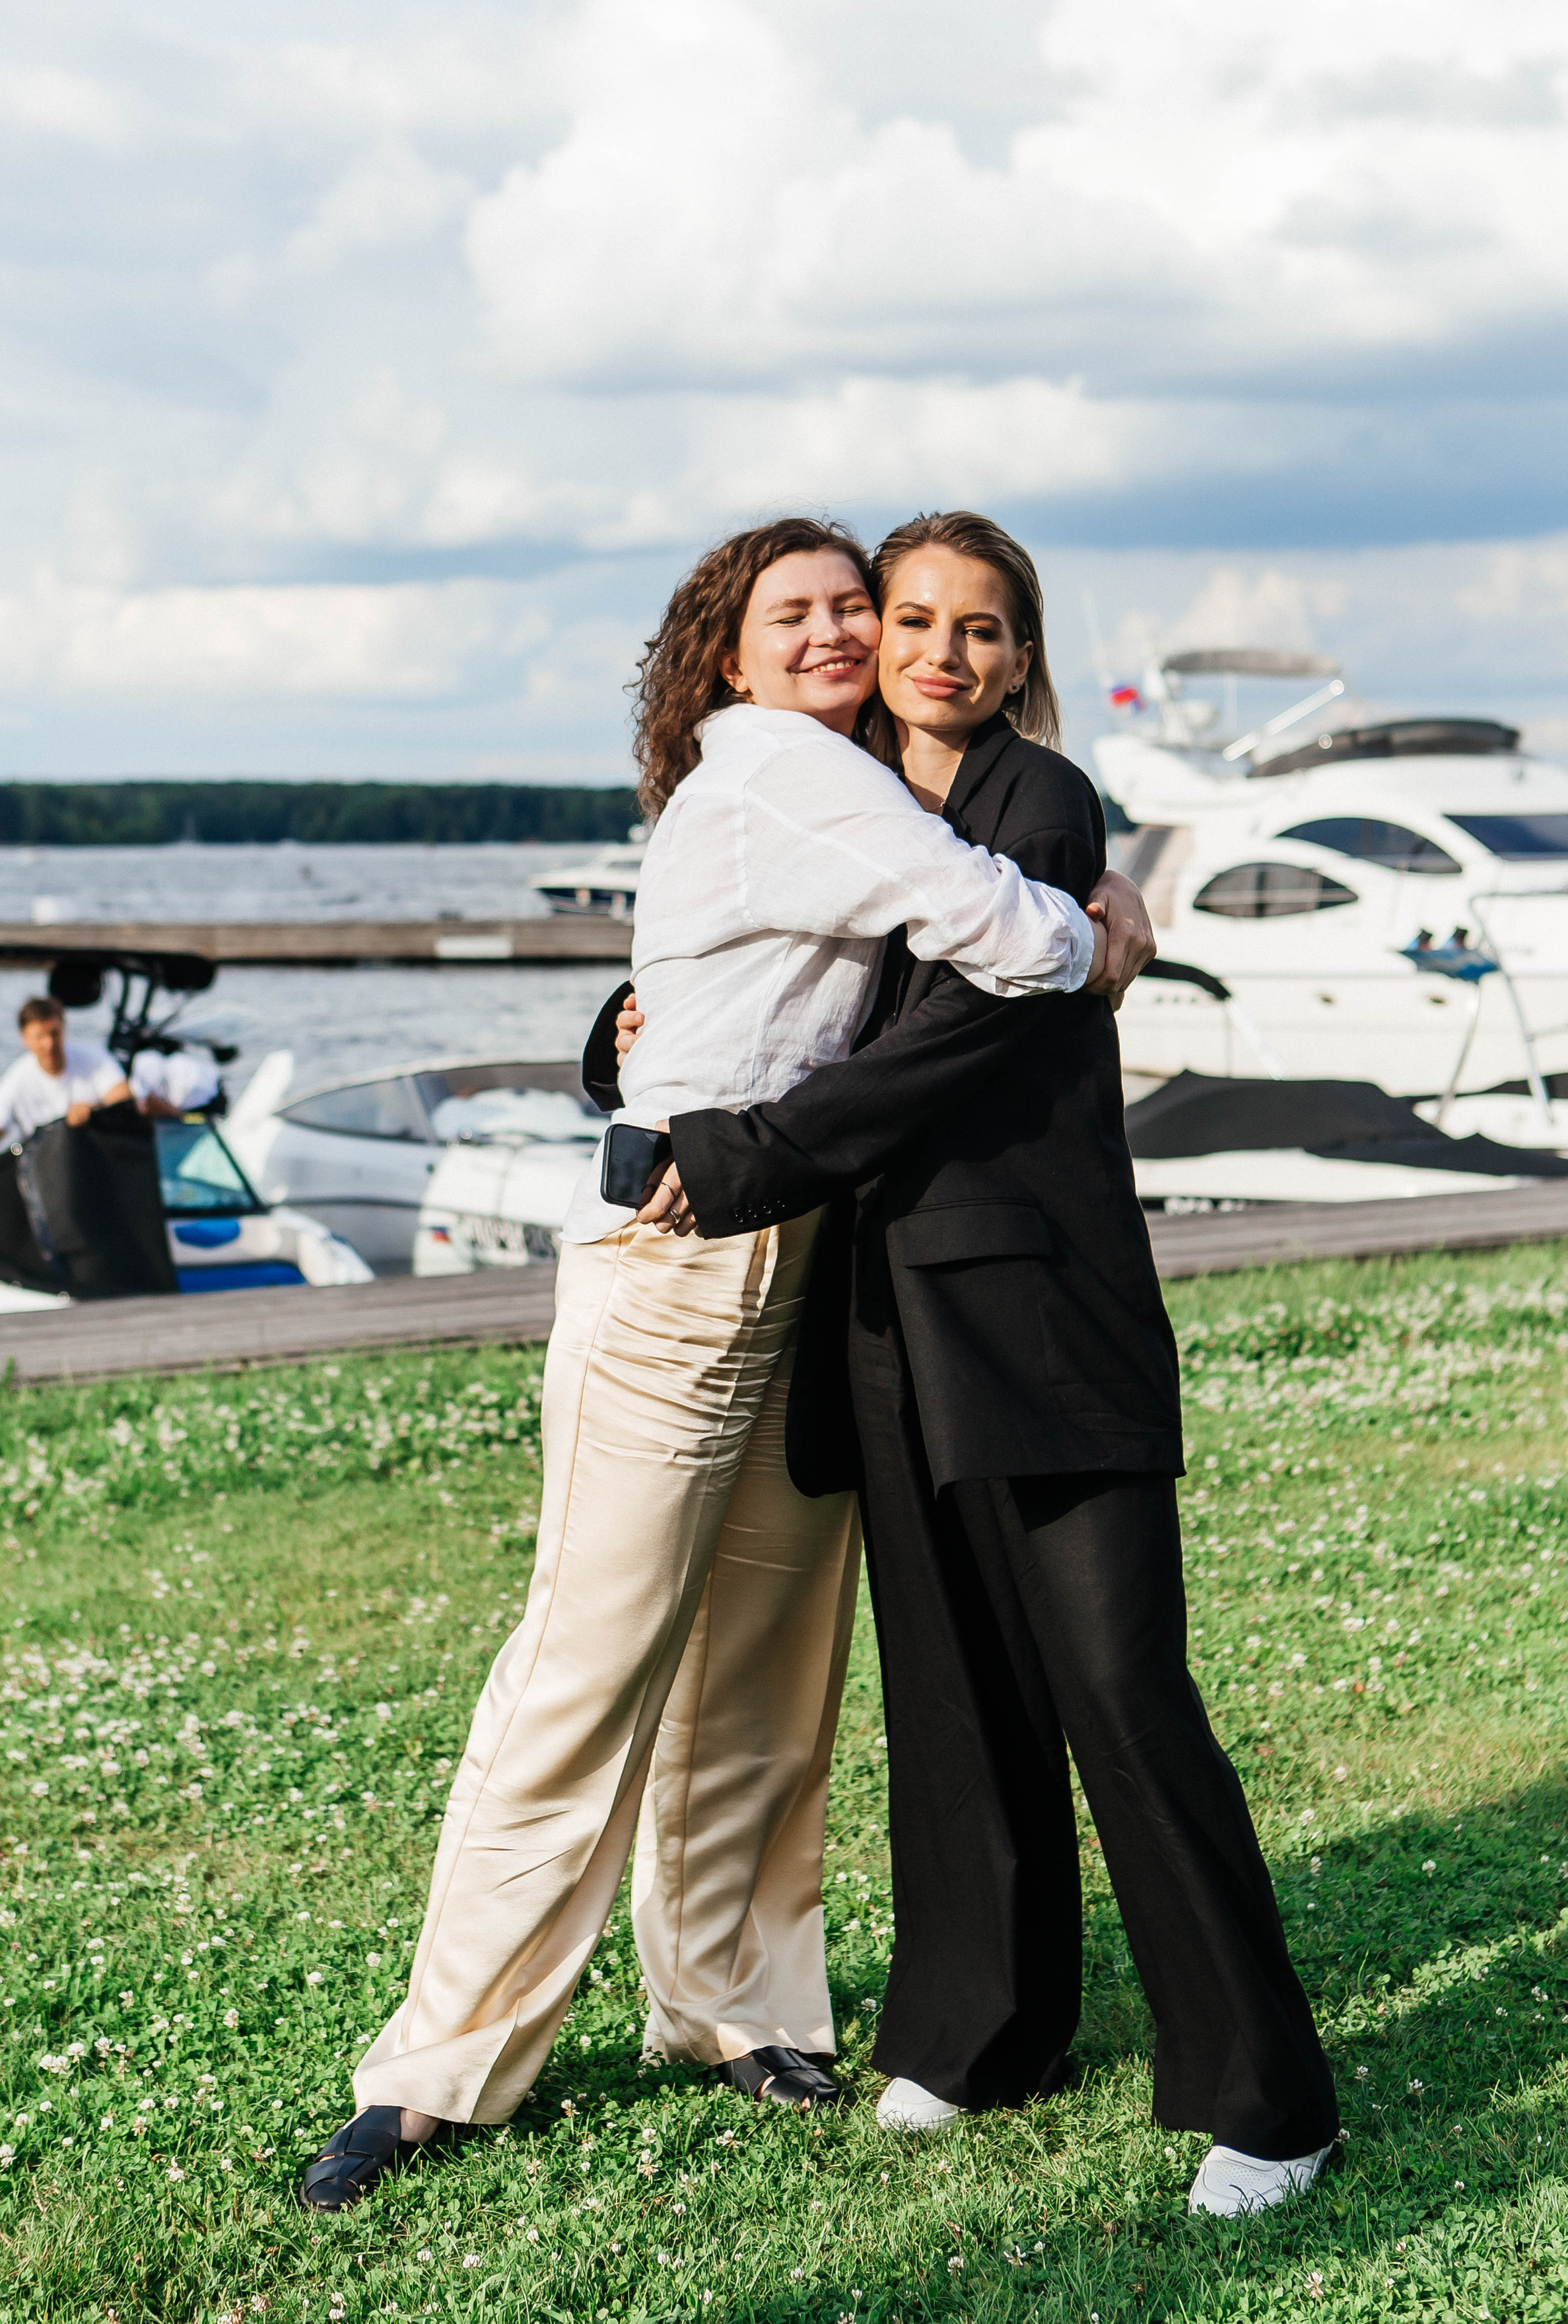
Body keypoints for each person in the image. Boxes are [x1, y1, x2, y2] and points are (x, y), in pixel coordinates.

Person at [299, 515, 1136, 2212]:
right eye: (799, 612)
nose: (837, 631)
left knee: (767, 1663)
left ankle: (733, 2005)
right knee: (582, 1667)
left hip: (806, 1261)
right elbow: (999, 928)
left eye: (854, 605)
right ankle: (442, 2063)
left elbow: (711, 993)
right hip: (679, 1273)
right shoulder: (776, 763)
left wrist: (615, 1032)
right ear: (729, 657)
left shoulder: (846, 782)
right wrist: (1099, 932)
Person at [642, 512, 1341, 2219]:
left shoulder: (1043, 810)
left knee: (1119, 1682)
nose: (941, 653)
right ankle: (981, 2031)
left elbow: (949, 1046)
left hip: (1041, 1313)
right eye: (915, 621)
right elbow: (747, 977)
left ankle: (1273, 2098)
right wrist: (628, 1038)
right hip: (887, 1323)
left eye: (981, 629)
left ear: (1022, 656)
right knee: (950, 1695)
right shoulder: (843, 793)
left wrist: (751, 1155)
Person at [0, 996, 133, 1154]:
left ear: (64, 1028)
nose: (49, 1044)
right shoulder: (16, 1079)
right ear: (25, 1038)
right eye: (40, 1036)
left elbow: (125, 1100)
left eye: (54, 1033)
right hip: (48, 1166)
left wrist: (94, 1110)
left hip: (100, 1154)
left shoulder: (96, 1059)